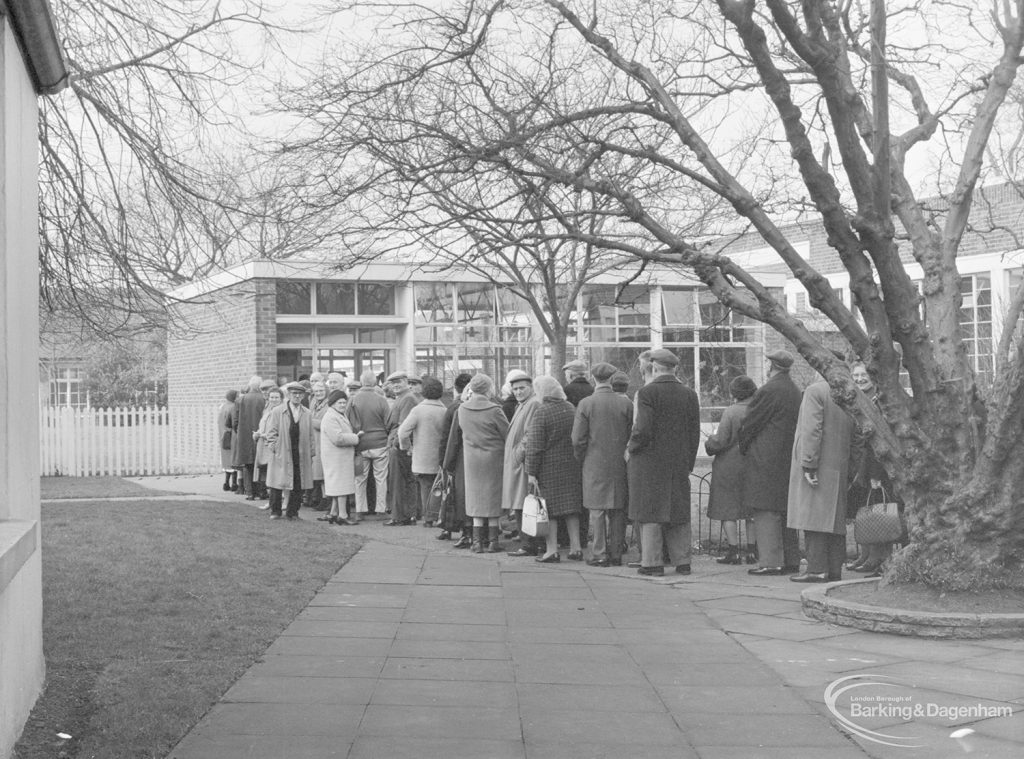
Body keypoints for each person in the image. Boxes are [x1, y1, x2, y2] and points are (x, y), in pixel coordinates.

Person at [627, 349, 701, 576]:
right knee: (678, 511)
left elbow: (643, 428)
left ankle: (652, 563)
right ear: (674, 368)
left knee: (650, 511)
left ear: (654, 367)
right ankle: (683, 562)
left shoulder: (647, 393)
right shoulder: (689, 394)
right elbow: (694, 432)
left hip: (649, 462)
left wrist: (631, 447)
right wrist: (688, 461)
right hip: (678, 461)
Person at [738, 350, 803, 576]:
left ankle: (771, 562)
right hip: (788, 459)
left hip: (765, 459)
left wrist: (744, 446)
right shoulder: (795, 391)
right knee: (785, 511)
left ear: (772, 366)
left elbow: (749, 423)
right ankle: (791, 559)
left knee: (765, 511)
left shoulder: (768, 390)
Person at [787, 377, 855, 582]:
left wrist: (808, 463)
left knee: (813, 518)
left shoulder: (816, 391)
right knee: (834, 521)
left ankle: (816, 569)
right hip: (839, 466)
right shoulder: (850, 392)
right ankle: (834, 569)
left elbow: (811, 429)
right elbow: (858, 434)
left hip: (819, 465)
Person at [572, 362, 633, 567]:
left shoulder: (586, 404)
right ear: (612, 378)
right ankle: (616, 553)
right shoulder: (626, 404)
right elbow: (632, 433)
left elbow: (577, 439)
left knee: (597, 509)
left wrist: (582, 457)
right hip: (619, 462)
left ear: (593, 378)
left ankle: (599, 553)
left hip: (593, 461)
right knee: (617, 508)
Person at [846, 361, 900, 577]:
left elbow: (879, 439)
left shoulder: (878, 402)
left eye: (863, 375)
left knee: (880, 510)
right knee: (866, 509)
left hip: (877, 465)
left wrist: (876, 474)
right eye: (855, 375)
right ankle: (867, 554)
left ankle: (880, 558)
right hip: (863, 463)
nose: (859, 379)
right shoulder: (862, 400)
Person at [525, 375, 584, 562]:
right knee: (571, 508)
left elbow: (534, 446)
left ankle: (551, 550)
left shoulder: (542, 412)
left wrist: (531, 472)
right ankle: (576, 548)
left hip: (548, 467)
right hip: (571, 464)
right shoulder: (570, 409)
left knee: (548, 510)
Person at [706, 375, 759, 565]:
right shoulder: (758, 409)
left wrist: (709, 442)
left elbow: (720, 441)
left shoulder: (731, 412)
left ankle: (733, 552)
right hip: (752, 464)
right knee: (751, 511)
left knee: (728, 510)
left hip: (728, 466)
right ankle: (753, 552)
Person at [457, 373, 509, 552]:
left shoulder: (462, 409)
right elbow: (507, 434)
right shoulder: (495, 409)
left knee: (475, 498)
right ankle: (493, 542)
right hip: (494, 459)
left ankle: (477, 542)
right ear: (489, 389)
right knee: (493, 498)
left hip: (471, 460)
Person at [501, 370, 542, 556]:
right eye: (515, 389)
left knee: (521, 504)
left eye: (522, 388)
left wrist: (518, 453)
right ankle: (528, 543)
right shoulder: (524, 404)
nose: (518, 392)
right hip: (517, 462)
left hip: (521, 463)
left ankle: (528, 545)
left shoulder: (532, 404)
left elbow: (530, 434)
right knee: (519, 503)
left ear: (531, 388)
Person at [398, 376, 448, 526]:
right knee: (440, 486)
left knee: (425, 486)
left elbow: (402, 432)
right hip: (440, 456)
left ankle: (428, 518)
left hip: (422, 456)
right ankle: (438, 515)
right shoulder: (445, 411)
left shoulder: (418, 410)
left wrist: (406, 447)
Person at [265, 382, 316, 520]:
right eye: (294, 394)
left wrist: (311, 452)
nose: (297, 396)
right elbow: (271, 434)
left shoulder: (307, 413)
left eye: (300, 394)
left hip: (300, 452)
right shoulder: (278, 411)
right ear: (289, 395)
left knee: (298, 483)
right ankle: (275, 511)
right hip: (282, 451)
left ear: (303, 396)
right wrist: (274, 448)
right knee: (277, 482)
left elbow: (311, 435)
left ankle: (293, 512)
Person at [347, 370, 390, 518]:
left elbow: (347, 421)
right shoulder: (381, 400)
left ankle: (360, 510)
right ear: (375, 382)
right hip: (380, 444)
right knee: (381, 478)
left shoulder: (352, 400)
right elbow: (388, 423)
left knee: (359, 479)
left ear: (361, 382)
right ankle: (381, 510)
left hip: (360, 445)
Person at [439, 374, 473, 546]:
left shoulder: (455, 409)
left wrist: (444, 462)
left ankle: (460, 530)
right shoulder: (494, 407)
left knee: (456, 495)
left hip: (460, 459)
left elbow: (448, 437)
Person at [384, 370, 421, 525]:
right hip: (399, 444)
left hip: (401, 446)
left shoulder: (407, 399)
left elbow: (403, 426)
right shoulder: (403, 398)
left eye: (398, 382)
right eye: (393, 383)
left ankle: (401, 516)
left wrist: (396, 445)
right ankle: (406, 514)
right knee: (403, 481)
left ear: (406, 382)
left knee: (400, 481)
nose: (396, 385)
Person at [320, 389, 361, 525]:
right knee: (341, 487)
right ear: (332, 403)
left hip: (339, 457)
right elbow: (337, 438)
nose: (343, 405)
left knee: (338, 486)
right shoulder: (331, 417)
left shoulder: (337, 414)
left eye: (344, 402)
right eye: (339, 402)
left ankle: (333, 513)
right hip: (336, 457)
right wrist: (356, 437)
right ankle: (343, 515)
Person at [232, 376, 265, 497]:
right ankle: (261, 491)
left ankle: (250, 492)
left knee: (247, 465)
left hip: (244, 435)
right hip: (260, 433)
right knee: (260, 463)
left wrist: (239, 431)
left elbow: (235, 421)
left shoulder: (240, 400)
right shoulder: (264, 399)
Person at [254, 386, 283, 508]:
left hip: (273, 446)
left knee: (275, 476)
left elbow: (281, 431)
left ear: (281, 398)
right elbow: (264, 426)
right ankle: (271, 502)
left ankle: (278, 502)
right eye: (272, 397)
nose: (274, 399)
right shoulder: (267, 410)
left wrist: (264, 435)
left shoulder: (282, 411)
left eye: (276, 397)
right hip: (263, 447)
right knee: (266, 476)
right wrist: (257, 433)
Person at [307, 381, 331, 512]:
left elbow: (326, 423)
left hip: (324, 442)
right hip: (315, 442)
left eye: (321, 391)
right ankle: (322, 498)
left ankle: (327, 499)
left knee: (324, 474)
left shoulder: (328, 405)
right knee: (318, 474)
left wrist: (310, 421)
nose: (318, 393)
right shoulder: (313, 403)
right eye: (316, 391)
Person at [218, 390, 238, 492]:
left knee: (226, 461)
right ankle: (234, 483)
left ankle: (226, 483)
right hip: (231, 436)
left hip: (223, 436)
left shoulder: (222, 407)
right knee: (233, 460)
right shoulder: (233, 407)